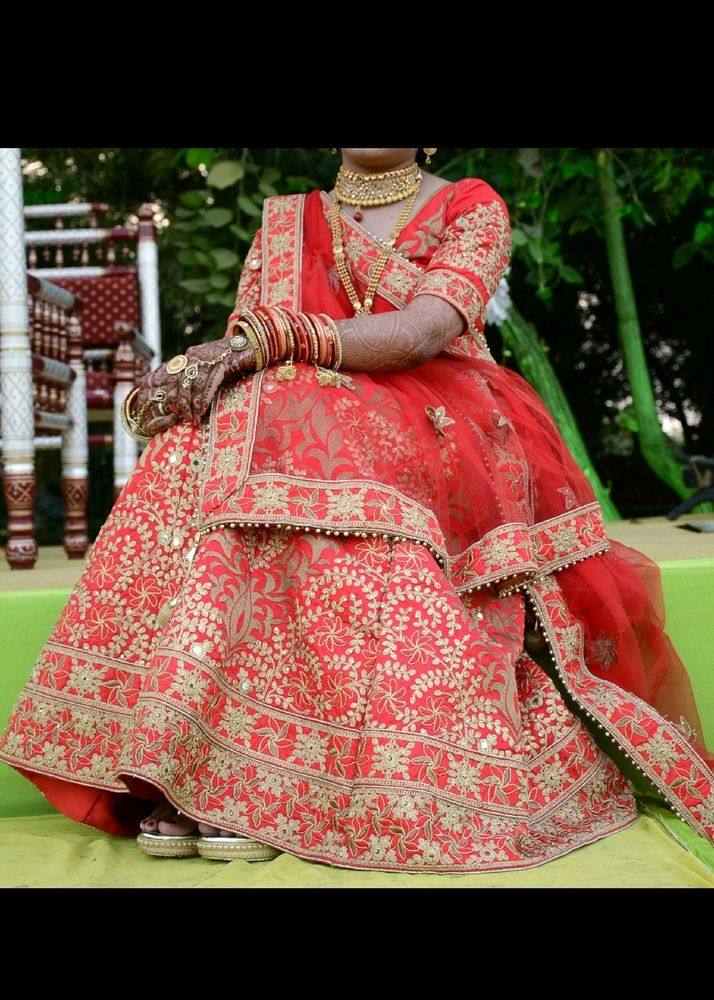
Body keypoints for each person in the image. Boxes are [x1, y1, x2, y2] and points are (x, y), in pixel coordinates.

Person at [1, 148, 713, 873]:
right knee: (232, 420)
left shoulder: (469, 205)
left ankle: (277, 778)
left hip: (445, 417)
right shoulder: (287, 220)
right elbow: (248, 359)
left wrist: (272, 341)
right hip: (303, 414)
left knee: (284, 415)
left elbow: (423, 333)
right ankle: (204, 753)